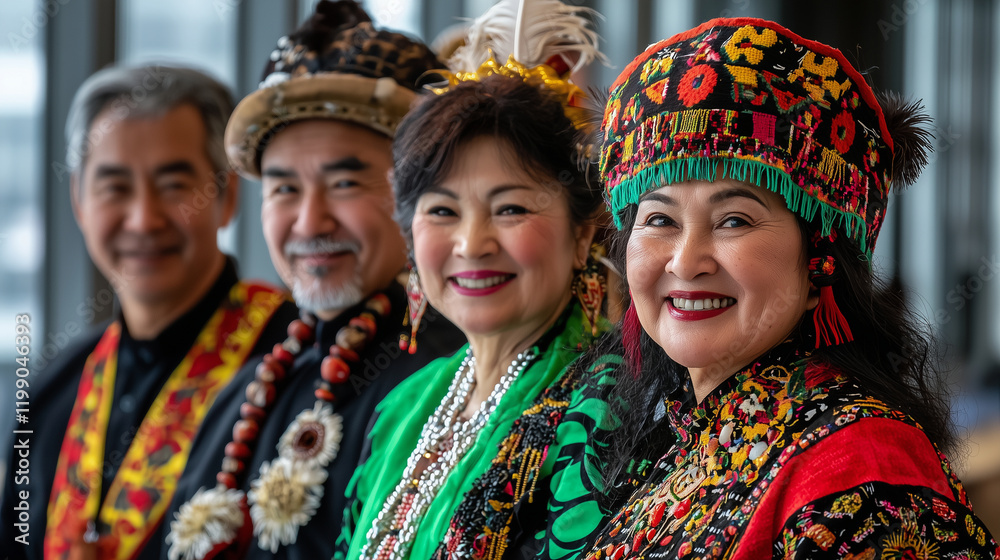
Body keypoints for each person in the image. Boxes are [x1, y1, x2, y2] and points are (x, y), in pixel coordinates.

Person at [583, 17, 999, 558]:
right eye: (660, 220)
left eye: (734, 220)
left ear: (821, 261)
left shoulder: (864, 472)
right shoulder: (689, 430)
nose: (685, 262)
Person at [161, 3, 465, 559]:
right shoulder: (253, 381)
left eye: (345, 181)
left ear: (426, 194)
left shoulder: (453, 382)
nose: (308, 223)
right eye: (283, 189)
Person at [338, 1, 619, 559]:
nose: (472, 244)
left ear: (583, 233)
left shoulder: (606, 405)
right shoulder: (407, 403)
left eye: (511, 209)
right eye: (442, 211)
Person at [0, 65, 298, 560]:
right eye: (115, 186)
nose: (143, 219)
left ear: (226, 197)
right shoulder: (55, 386)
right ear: (78, 199)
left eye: (173, 185)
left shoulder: (295, 362)